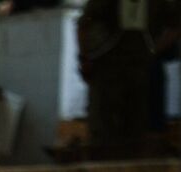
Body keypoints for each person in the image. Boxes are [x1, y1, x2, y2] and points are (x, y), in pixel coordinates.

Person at [77, 0, 181, 157]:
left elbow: (175, 24)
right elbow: (84, 24)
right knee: (103, 134)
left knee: (135, 132)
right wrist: (85, 57)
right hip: (107, 64)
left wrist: (154, 49)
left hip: (139, 68)